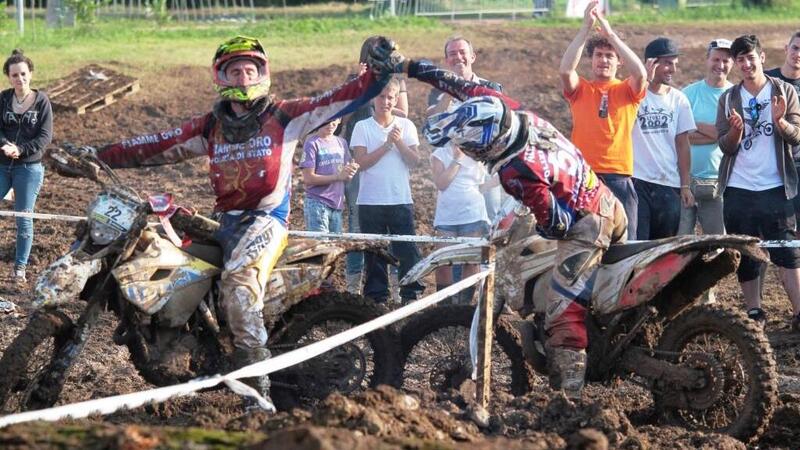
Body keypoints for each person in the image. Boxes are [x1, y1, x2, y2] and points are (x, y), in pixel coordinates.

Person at [95, 35, 401, 410]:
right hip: (226, 221)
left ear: (263, 73)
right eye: (235, 71)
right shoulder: (212, 127)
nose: (243, 78)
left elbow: (338, 99)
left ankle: (258, 397)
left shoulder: (285, 116)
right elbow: (157, 143)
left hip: (267, 220)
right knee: (170, 261)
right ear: (221, 77)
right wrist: (98, 155)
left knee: (239, 286)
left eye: (249, 70)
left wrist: (379, 74)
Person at [378, 55, 627, 398]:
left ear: (486, 147)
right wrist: (409, 66)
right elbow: (458, 85)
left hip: (587, 225)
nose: (468, 152)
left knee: (561, 313)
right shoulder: (510, 110)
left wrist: (529, 222)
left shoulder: (515, 171)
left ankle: (570, 399)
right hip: (607, 199)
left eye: (469, 147)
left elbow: (559, 225)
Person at [716, 34, 800, 332]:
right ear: (736, 64)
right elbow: (724, 146)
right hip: (739, 188)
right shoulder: (728, 98)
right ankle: (754, 311)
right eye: (741, 60)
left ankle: (798, 312)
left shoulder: (785, 91)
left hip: (777, 187)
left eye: (751, 57)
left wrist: (780, 122)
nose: (747, 63)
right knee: (747, 252)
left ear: (762, 58)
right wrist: (736, 132)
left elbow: (797, 136)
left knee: (788, 252)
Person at [559, 0, 646, 238]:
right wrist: (585, 28)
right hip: (585, 176)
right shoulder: (581, 89)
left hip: (619, 176)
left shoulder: (628, 90)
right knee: (580, 240)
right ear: (592, 58)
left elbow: (640, 72)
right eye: (599, 55)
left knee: (625, 243)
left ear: (619, 61)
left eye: (610, 56)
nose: (604, 60)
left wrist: (611, 35)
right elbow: (566, 71)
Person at [340, 36, 410, 295]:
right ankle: (353, 285)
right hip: (358, 153)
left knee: (389, 219)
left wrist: (387, 93)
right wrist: (359, 87)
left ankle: (393, 285)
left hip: (389, 153)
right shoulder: (353, 79)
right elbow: (342, 117)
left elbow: (403, 112)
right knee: (357, 221)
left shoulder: (395, 81)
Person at [351, 77, 424, 304]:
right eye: (381, 97)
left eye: (390, 97)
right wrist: (386, 146)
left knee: (407, 250)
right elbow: (360, 163)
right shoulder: (362, 127)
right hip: (370, 201)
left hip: (400, 199)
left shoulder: (407, 126)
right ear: (374, 98)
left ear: (396, 99)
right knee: (374, 252)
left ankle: (410, 294)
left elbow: (415, 161)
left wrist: (399, 142)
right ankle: (377, 297)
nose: (386, 101)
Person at [428, 36, 508, 225]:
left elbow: (504, 124)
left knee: (492, 218)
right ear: (447, 60)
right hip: (454, 165)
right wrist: (449, 93)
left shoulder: (491, 88)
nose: (458, 57)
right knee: (458, 221)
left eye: (462, 52)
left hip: (484, 164)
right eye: (452, 54)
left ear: (473, 57)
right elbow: (432, 123)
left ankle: (491, 255)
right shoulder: (437, 91)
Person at [632, 38, 696, 240]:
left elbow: (682, 144)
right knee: (637, 245)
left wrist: (685, 185)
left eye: (675, 64)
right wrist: (642, 79)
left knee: (663, 246)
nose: (673, 70)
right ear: (651, 63)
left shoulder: (679, 99)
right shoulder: (632, 96)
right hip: (637, 181)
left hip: (668, 183)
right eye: (668, 63)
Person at [0, 49, 53, 283]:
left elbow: (44, 137)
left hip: (29, 168)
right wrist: (5, 145)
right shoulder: (3, 98)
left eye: (23, 74)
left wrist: (20, 150)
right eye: (14, 75)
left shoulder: (42, 101)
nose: (19, 79)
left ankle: (19, 268)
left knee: (23, 218)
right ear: (8, 77)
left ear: (30, 74)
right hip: (2, 164)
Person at [678, 38, 733, 237]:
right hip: (685, 180)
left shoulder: (734, 95)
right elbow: (680, 135)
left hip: (717, 182)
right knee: (680, 240)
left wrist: (692, 124)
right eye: (716, 59)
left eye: (726, 61)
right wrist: (716, 134)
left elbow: (727, 136)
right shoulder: (688, 94)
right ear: (706, 60)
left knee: (719, 241)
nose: (720, 65)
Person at [430, 142, 490, 304]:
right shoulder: (440, 154)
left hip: (473, 214)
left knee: (470, 262)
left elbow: (482, 185)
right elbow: (441, 183)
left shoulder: (477, 151)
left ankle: (463, 307)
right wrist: (457, 160)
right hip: (446, 217)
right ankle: (445, 308)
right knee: (442, 263)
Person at [300, 118, 358, 234]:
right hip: (317, 203)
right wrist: (338, 177)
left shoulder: (341, 142)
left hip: (337, 205)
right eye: (327, 120)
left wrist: (350, 171)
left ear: (340, 120)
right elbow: (308, 178)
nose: (331, 125)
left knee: (334, 247)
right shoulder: (312, 143)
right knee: (321, 246)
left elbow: (345, 174)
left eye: (334, 120)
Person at [765, 31, 800, 219]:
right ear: (786, 49)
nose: (798, 54)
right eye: (795, 48)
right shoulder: (767, 80)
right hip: (772, 163)